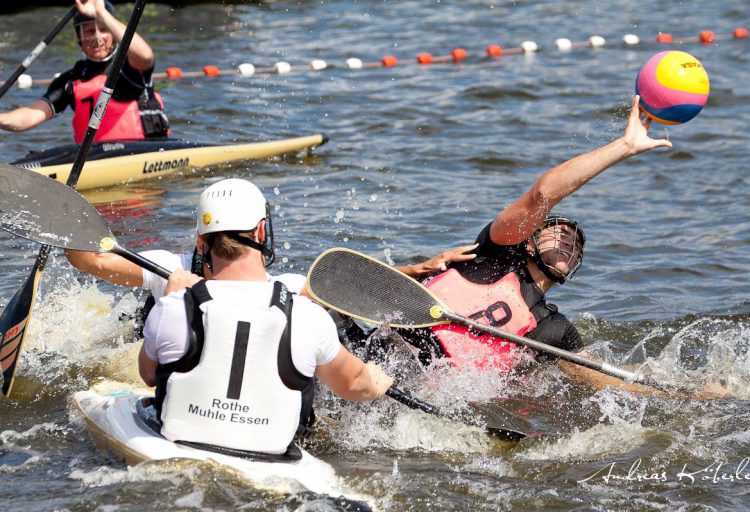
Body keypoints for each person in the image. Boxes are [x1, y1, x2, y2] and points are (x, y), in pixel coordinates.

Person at [353, 96, 673, 380]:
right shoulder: (495, 253)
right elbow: (542, 195)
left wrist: (689, 394)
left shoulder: (553, 328)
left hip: (439, 386)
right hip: (394, 350)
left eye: (576, 243)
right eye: (558, 231)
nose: (568, 240)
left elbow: (605, 378)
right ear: (529, 240)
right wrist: (625, 146)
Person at [138, 178, 393, 456]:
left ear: (201, 243)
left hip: (183, 445)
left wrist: (170, 298)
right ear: (261, 232)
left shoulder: (172, 307)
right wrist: (376, 381)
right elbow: (354, 385)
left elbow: (149, 374)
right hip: (270, 458)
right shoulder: (308, 316)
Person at [0, 0, 169, 143]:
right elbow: (29, 117)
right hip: (95, 160)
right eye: (88, 31)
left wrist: (101, 13)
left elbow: (145, 56)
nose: (97, 37)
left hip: (145, 150)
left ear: (113, 33)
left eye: (103, 30)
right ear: (78, 37)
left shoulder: (129, 68)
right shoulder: (71, 80)